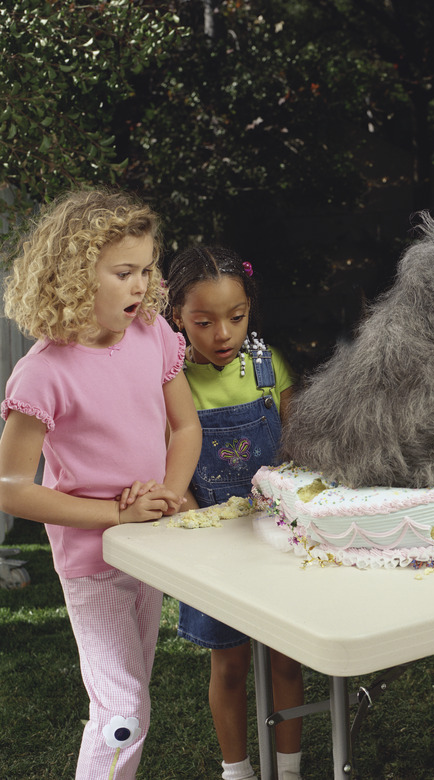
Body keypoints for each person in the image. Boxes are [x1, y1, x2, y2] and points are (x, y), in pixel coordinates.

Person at [0, 188, 202, 778]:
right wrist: (116, 514)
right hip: (93, 558)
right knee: (123, 713)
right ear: (73, 274)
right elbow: (11, 485)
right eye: (123, 272)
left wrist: (166, 492)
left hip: (149, 547)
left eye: (145, 270)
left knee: (128, 700)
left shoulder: (153, 336)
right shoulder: (41, 374)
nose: (141, 286)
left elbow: (185, 426)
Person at [166, 245, 304, 780]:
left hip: (275, 538)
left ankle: (288, 770)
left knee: (285, 658)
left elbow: (299, 447)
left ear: (250, 309)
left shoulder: (270, 368)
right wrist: (198, 525)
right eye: (203, 321)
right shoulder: (170, 381)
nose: (222, 334)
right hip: (212, 550)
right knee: (228, 662)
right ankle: (237, 771)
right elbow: (171, 472)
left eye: (236, 317)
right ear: (177, 318)